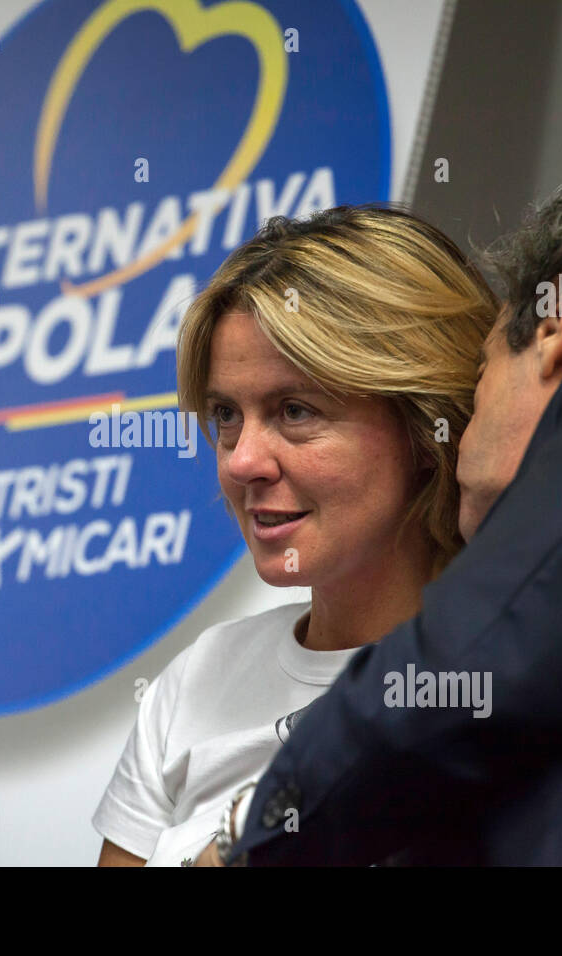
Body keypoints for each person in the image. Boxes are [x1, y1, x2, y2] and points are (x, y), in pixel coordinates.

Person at [203, 138, 562, 865]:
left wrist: (243, 836)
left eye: (481, 372)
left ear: (555, 327)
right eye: (223, 416)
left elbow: (470, 662)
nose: (463, 425)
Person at [93, 205, 497, 865]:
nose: (240, 460)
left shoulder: (494, 685)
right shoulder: (200, 676)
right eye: (226, 414)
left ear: (427, 428)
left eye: (295, 410)